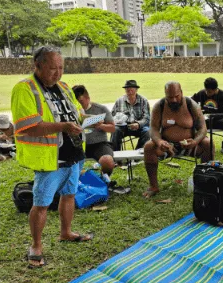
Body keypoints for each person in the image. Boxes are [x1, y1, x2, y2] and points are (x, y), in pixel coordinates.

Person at [11, 46, 93, 268]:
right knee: (41, 203)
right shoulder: (24, 89)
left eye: (61, 68)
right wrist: (63, 126)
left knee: (69, 194)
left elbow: (77, 112)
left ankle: (66, 232)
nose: (57, 73)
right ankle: (36, 246)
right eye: (52, 68)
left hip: (73, 153)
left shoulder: (64, 87)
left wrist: (84, 119)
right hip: (50, 158)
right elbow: (26, 127)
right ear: (37, 66)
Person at [143, 81, 213, 198]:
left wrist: (195, 141)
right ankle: (153, 186)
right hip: (168, 146)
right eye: (170, 97)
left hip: (190, 144)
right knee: (148, 147)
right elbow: (153, 129)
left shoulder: (191, 105)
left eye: (177, 96)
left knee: (208, 143)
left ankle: (205, 182)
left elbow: (203, 128)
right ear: (165, 94)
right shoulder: (159, 106)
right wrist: (160, 142)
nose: (174, 100)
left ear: (181, 92)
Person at [72, 85, 116, 183]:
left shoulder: (101, 109)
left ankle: (103, 181)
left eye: (81, 102)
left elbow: (112, 128)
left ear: (88, 98)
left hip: (98, 144)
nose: (78, 105)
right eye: (75, 103)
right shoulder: (71, 111)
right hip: (77, 144)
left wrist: (101, 126)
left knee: (107, 161)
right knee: (64, 162)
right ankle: (76, 182)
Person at [192, 77, 223, 155]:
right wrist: (197, 110)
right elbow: (191, 101)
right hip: (203, 120)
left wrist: (212, 116)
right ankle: (196, 146)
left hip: (217, 120)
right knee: (191, 124)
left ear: (215, 89)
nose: (207, 93)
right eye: (206, 90)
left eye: (210, 92)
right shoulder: (202, 93)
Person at [110, 80, 150, 151]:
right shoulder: (119, 101)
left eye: (132, 89)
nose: (129, 91)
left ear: (136, 89)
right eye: (127, 89)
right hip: (123, 127)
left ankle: (137, 156)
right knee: (115, 130)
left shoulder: (143, 101)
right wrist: (117, 121)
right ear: (125, 90)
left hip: (139, 126)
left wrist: (138, 124)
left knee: (147, 131)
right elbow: (111, 116)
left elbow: (146, 117)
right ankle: (116, 157)